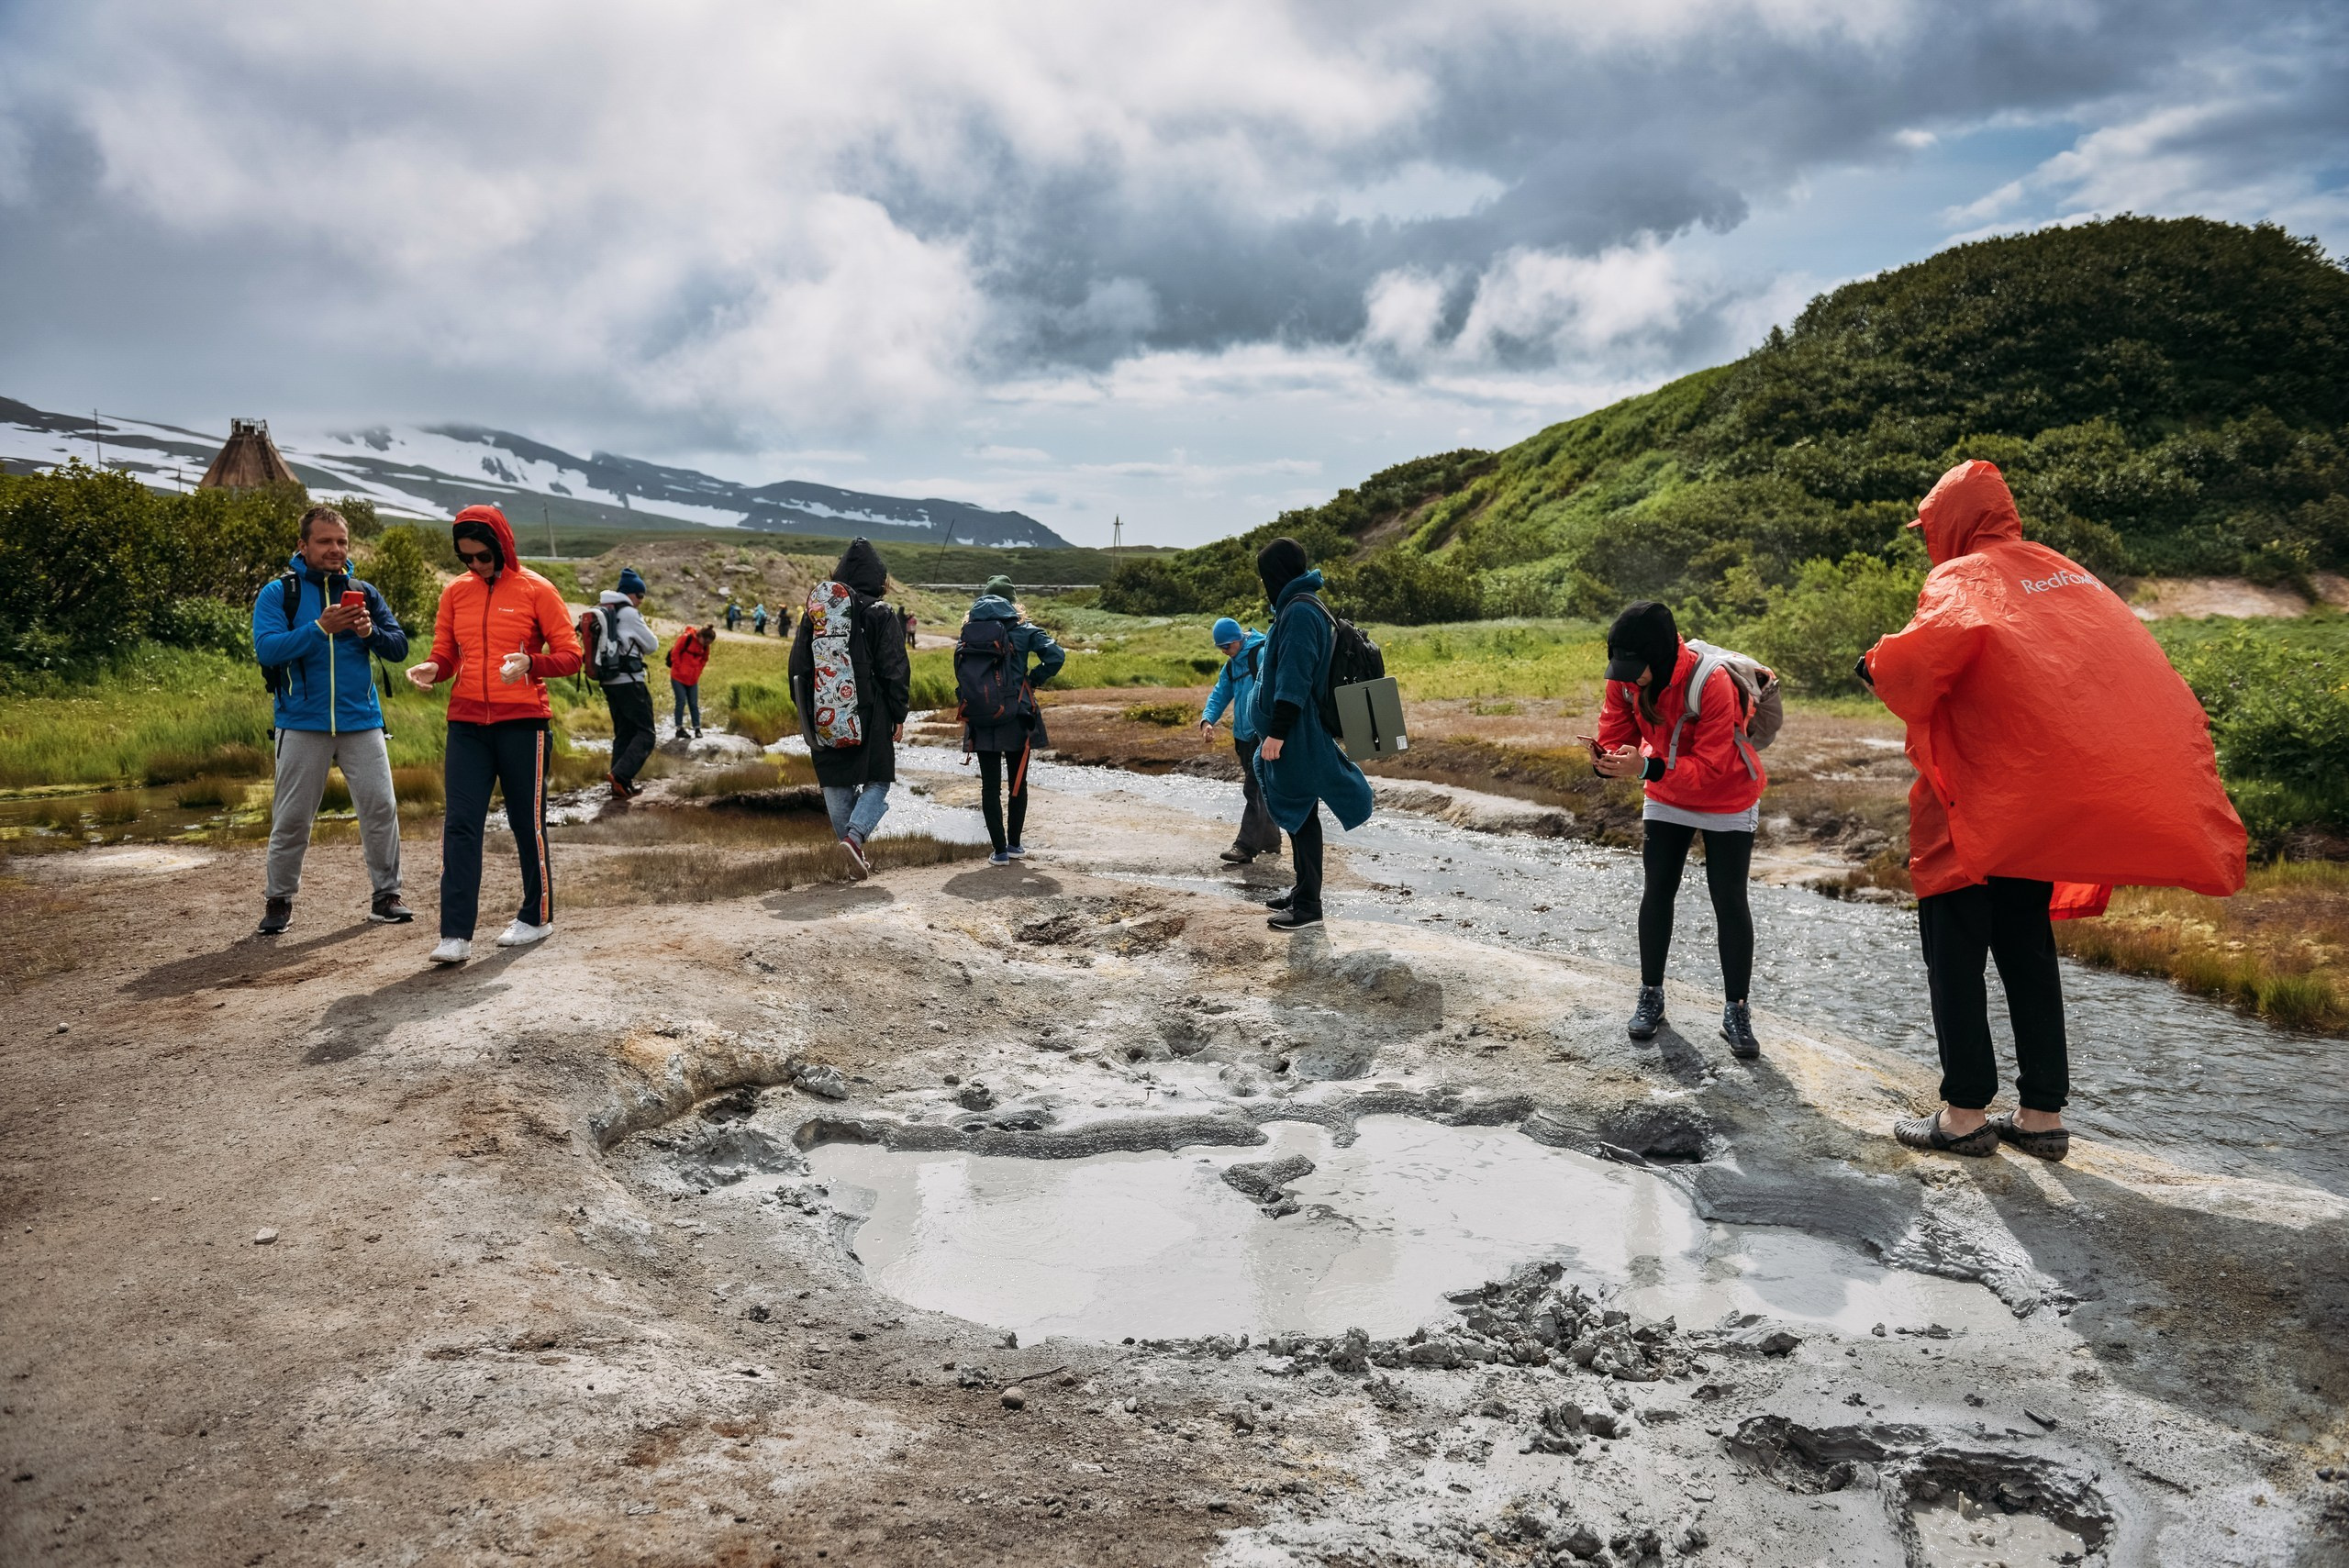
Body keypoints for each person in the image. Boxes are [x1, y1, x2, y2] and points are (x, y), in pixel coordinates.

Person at [1864, 460, 2245, 1160]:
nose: (1928, 539)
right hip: (2033, 811)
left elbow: (1917, 673)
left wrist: (1875, 662)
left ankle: (1964, 1114)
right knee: (2027, 953)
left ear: (1950, 522)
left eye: (1930, 526)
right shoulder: (2067, 575)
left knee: (1955, 958)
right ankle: (2041, 1116)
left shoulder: (1960, 576)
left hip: (1968, 811)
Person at [404, 505, 584, 965]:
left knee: (527, 822)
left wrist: (531, 663)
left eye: (483, 556)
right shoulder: (455, 594)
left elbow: (571, 655)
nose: (476, 566)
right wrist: (432, 668)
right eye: (466, 558)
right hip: (466, 722)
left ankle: (536, 916)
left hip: (523, 722)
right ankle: (455, 934)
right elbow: (445, 654)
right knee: (460, 825)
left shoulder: (536, 589)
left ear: (502, 547)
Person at [1586, 602, 1766, 1059]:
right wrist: (1606, 760)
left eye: (1637, 668)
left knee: (1728, 900)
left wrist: (1645, 765)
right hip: (1665, 792)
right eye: (1621, 668)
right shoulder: (1624, 678)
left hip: (1727, 794)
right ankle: (1651, 995)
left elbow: (1710, 767)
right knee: (1657, 889)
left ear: (1662, 655)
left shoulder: (1713, 683)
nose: (1629, 678)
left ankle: (1736, 1010)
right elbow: (1615, 728)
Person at [250, 503, 411, 933]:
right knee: (293, 818)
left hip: (362, 721)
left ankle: (386, 896)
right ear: (303, 546)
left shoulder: (365, 591)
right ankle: (278, 901)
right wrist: (320, 628)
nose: (335, 549)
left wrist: (367, 632)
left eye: (341, 541)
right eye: (325, 541)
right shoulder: (278, 593)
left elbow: (398, 648)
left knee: (380, 808)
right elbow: (267, 649)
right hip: (301, 722)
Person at [1250, 538, 1374, 931]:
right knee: (1301, 811)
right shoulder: (1298, 604)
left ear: (1277, 574)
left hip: (1297, 732)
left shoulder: (1300, 612)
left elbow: (1294, 679)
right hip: (1295, 730)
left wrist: (1277, 733)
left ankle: (1308, 907)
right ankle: (1303, 890)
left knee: (1301, 814)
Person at [789, 539, 910, 877]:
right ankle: (854, 840)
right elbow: (894, 669)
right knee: (878, 779)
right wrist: (899, 713)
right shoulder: (881, 613)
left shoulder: (817, 614)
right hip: (872, 711)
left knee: (836, 779)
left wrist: (806, 711)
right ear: (879, 579)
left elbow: (797, 665)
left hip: (823, 708)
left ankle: (851, 849)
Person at [956, 574, 1066, 865]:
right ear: (1013, 602)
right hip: (1018, 715)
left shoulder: (968, 631)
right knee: (1018, 783)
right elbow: (1056, 655)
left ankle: (999, 852)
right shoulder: (1025, 630)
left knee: (990, 787)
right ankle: (1015, 844)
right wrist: (1033, 679)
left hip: (981, 715)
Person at [1198, 616, 1280, 866]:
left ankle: (1245, 847)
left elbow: (1277, 689)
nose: (1224, 652)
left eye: (1227, 647)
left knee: (1252, 788)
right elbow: (1220, 693)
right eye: (1220, 648)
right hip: (1241, 737)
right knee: (1261, 789)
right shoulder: (1232, 665)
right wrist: (1207, 720)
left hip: (1261, 734)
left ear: (1238, 639)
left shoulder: (1262, 654)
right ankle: (1270, 839)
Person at [590, 567, 660, 798]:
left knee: (624, 732)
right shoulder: (629, 613)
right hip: (630, 681)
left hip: (609, 681)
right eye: (640, 596)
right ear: (631, 593)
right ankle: (621, 775)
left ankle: (619, 783)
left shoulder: (604, 609)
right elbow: (651, 645)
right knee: (646, 733)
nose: (641, 601)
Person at [665, 623, 714, 739]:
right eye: (706, 642)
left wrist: (698, 671)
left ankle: (697, 728)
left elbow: (705, 659)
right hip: (678, 677)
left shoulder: (705, 646)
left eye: (709, 643)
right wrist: (679, 668)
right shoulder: (686, 638)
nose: (707, 645)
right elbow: (675, 653)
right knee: (681, 702)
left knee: (694, 703)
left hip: (692, 679)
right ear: (700, 636)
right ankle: (679, 728)